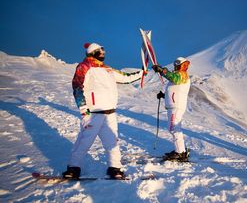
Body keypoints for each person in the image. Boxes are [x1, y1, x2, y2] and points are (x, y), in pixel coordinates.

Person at [62, 43, 144, 179]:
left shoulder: (107, 69)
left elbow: (125, 77)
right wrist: (84, 110)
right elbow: (77, 88)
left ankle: (115, 168)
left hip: (110, 113)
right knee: (84, 141)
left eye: (103, 50)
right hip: (93, 113)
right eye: (101, 50)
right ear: (93, 52)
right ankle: (73, 168)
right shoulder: (84, 67)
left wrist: (142, 73)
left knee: (112, 142)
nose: (103, 52)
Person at [152, 57, 191, 161]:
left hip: (176, 107)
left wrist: (162, 71)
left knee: (173, 128)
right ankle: (180, 150)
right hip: (174, 106)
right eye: (175, 63)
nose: (175, 65)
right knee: (174, 128)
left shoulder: (182, 75)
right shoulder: (179, 75)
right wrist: (164, 95)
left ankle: (180, 152)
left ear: (183, 65)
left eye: (178, 63)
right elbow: (175, 92)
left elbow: (174, 78)